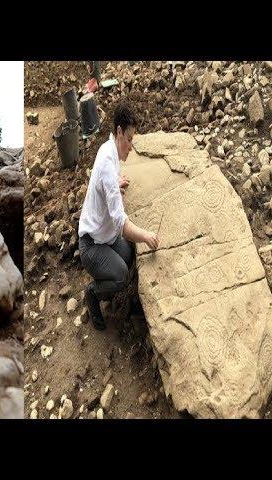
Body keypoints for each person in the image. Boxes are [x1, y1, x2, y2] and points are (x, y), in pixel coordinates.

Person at [78, 100, 159, 330]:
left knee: (127, 254)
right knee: (121, 274)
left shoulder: (109, 149)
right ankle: (93, 294)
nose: (131, 147)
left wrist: (115, 182)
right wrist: (146, 236)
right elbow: (122, 224)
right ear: (119, 132)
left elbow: (107, 181)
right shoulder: (106, 162)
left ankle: (110, 282)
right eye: (129, 140)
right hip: (91, 245)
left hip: (106, 236)